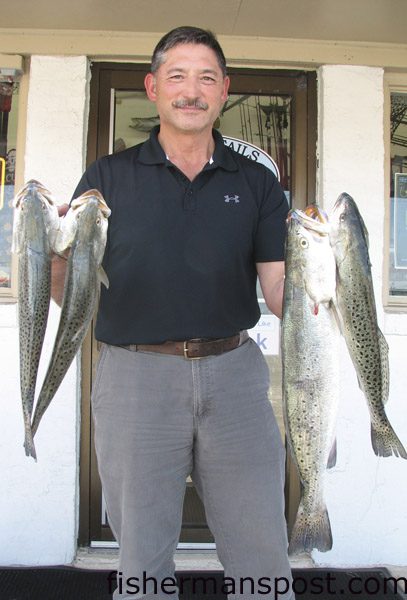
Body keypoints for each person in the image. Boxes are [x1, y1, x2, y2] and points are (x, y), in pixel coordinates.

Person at [53, 26, 294, 600]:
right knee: (142, 552)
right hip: (136, 377)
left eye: (207, 78)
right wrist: (53, 263)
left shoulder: (257, 181)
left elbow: (281, 290)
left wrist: (331, 283)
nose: (192, 91)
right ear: (153, 87)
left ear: (224, 91)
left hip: (235, 376)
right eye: (178, 76)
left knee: (262, 548)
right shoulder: (106, 179)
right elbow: (73, 295)